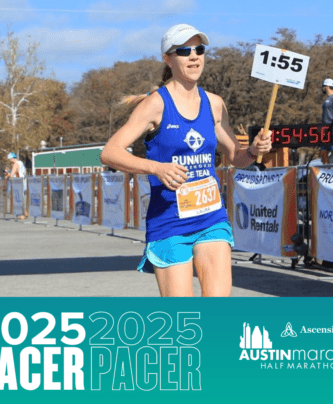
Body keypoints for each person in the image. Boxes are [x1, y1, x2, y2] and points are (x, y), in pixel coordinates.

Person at [101, 24, 272, 297]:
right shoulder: (155, 104)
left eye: (199, 49)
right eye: (184, 51)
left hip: (211, 217)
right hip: (169, 221)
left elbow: (235, 158)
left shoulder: (215, 104)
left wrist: (253, 150)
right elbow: (110, 152)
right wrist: (156, 167)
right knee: (184, 320)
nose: (194, 56)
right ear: (168, 59)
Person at [6, 152, 28, 219]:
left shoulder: (15, 164)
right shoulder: (21, 163)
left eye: (10, 159)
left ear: (12, 158)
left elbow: (12, 175)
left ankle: (23, 214)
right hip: (23, 181)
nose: (10, 161)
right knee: (22, 198)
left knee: (19, 199)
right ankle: (25, 212)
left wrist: (7, 174)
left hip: (18, 182)